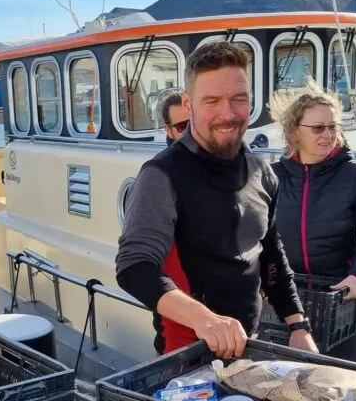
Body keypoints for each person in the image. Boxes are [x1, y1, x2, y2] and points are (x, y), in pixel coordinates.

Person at [116, 42, 318, 359]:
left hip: (248, 346)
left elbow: (270, 255)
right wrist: (205, 320)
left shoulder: (262, 172)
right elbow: (134, 267)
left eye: (239, 99)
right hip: (186, 354)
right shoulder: (162, 175)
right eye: (212, 101)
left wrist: (298, 326)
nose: (228, 113)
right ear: (188, 104)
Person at [269, 79, 356, 362]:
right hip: (283, 303)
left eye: (333, 126)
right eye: (318, 128)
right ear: (294, 131)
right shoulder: (272, 177)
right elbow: (252, 236)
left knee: (337, 381)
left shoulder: (355, 176)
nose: (328, 134)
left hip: (339, 305)